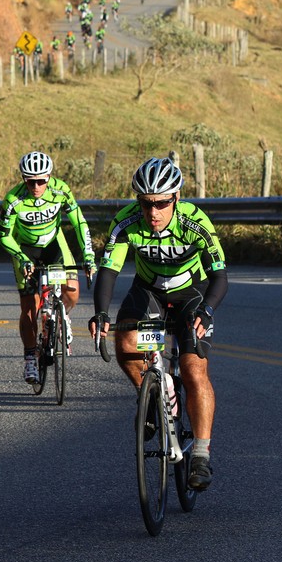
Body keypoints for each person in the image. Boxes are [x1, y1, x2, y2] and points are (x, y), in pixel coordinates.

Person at [90, 157, 228, 491]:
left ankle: (201, 455)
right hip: (149, 292)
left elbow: (220, 277)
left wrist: (206, 311)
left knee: (194, 369)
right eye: (147, 204)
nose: (153, 212)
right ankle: (151, 394)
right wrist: (101, 313)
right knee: (125, 345)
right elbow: (108, 271)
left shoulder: (195, 222)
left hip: (190, 295)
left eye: (162, 204)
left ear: (176, 197)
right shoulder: (126, 222)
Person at [0, 151, 95, 384]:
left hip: (54, 244)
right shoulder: (13, 199)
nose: (36, 186)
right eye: (30, 181)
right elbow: (4, 236)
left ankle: (63, 317)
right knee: (29, 308)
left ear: (49, 177)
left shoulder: (61, 190)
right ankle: (31, 356)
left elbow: (79, 222)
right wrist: (22, 258)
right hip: (25, 249)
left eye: (41, 180)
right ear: (24, 179)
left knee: (72, 290)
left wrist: (89, 255)